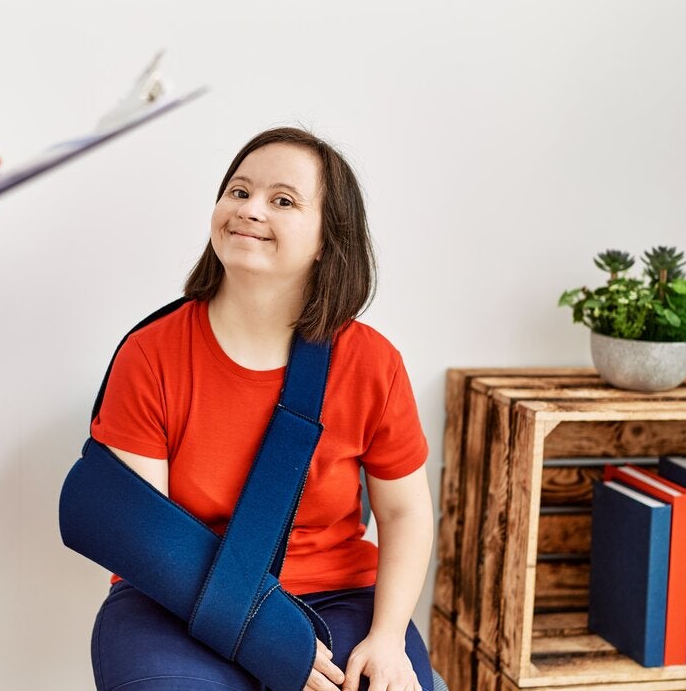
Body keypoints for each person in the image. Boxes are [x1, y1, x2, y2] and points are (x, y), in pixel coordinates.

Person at [88, 127, 434, 691]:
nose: (249, 209)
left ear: (327, 239)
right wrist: (270, 645)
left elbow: (404, 514)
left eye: (282, 200)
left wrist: (388, 637)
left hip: (337, 598)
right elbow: (145, 537)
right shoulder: (151, 354)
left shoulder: (371, 362)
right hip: (172, 601)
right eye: (239, 191)